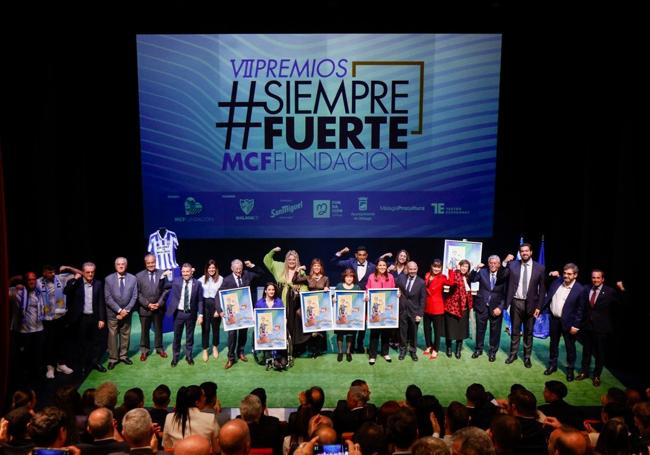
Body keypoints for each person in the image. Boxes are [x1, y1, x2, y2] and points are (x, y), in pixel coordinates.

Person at [575, 269, 623, 387]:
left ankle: (596, 375)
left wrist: (622, 289)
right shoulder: (586, 289)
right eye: (593, 277)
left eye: (598, 278)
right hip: (587, 327)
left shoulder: (609, 291)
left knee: (599, 353)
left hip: (601, 328)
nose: (595, 280)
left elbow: (623, 302)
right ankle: (584, 372)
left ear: (602, 279)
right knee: (586, 351)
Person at [503, 243, 546, 368]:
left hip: (532, 305)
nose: (524, 253)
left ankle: (527, 357)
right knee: (515, 331)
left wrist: (539, 307)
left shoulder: (540, 268)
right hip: (516, 302)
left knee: (528, 332)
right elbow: (501, 275)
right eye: (522, 251)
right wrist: (505, 262)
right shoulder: (512, 265)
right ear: (520, 253)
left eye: (527, 251)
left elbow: (542, 290)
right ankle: (513, 354)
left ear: (531, 252)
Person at [542, 263, 584, 381]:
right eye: (565, 273)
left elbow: (581, 310)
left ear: (575, 275)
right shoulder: (557, 282)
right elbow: (544, 284)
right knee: (553, 344)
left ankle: (570, 369)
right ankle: (552, 365)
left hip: (569, 323)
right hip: (554, 319)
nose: (566, 276)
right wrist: (550, 275)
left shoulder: (580, 289)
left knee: (569, 347)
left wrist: (576, 325)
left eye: (569, 274)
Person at [331, 246, 377, 353]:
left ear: (367, 256)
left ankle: (360, 344)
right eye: (359, 255)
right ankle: (350, 347)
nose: (361, 257)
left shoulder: (372, 267)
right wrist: (341, 252)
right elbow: (334, 262)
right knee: (351, 320)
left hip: (363, 299)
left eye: (363, 255)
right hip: (349, 297)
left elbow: (380, 274)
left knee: (362, 322)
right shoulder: (350, 262)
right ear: (356, 255)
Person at [264, 247, 309, 355]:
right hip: (279, 297)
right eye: (289, 259)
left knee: (292, 323)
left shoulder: (301, 271)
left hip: (293, 300)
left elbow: (304, 286)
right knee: (279, 321)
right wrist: (273, 251)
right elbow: (266, 260)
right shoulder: (279, 266)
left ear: (297, 260)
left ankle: (292, 347)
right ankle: (279, 346)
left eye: (294, 260)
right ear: (286, 260)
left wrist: (300, 292)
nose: (291, 261)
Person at [64, 262, 107, 374]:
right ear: (83, 272)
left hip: (94, 317)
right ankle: (83, 365)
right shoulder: (76, 283)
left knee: (96, 342)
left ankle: (95, 362)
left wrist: (102, 319)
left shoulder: (98, 283)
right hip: (81, 318)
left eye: (92, 272)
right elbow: (66, 291)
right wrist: (74, 279)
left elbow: (101, 302)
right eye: (87, 272)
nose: (90, 274)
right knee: (82, 343)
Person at [38, 264, 79, 379]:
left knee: (61, 342)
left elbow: (80, 273)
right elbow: (27, 285)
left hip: (60, 317)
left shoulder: (61, 278)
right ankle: (50, 368)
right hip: (46, 319)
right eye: (49, 272)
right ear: (43, 272)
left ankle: (61, 365)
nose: (52, 274)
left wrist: (68, 268)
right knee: (49, 344)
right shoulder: (38, 282)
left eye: (53, 272)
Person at [221, 258, 262, 369]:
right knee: (232, 335)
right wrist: (220, 310)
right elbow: (219, 295)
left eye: (240, 268)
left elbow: (261, 274)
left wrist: (252, 265)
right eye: (236, 269)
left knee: (243, 333)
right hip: (232, 314)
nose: (239, 271)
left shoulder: (247, 274)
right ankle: (230, 357)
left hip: (245, 312)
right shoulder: (227, 280)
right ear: (232, 268)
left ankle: (241, 352)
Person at [9, 271, 46, 386]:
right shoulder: (16, 292)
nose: (32, 281)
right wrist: (14, 278)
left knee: (38, 357)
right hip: (23, 332)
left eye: (34, 279)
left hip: (38, 330)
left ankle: (38, 381)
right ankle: (24, 382)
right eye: (29, 279)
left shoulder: (39, 293)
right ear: (25, 281)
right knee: (24, 359)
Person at [165, 263, 204, 366]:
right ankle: (175, 357)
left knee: (189, 337)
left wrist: (200, 315)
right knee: (177, 337)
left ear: (192, 272)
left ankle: (189, 356)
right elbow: (165, 285)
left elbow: (200, 300)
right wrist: (165, 277)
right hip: (178, 314)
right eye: (183, 271)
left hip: (191, 314)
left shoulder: (198, 284)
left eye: (187, 271)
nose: (185, 273)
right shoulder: (176, 281)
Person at [469, 255, 507, 362]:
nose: (493, 265)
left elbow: (506, 294)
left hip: (496, 308)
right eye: (491, 263)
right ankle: (478, 349)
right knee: (480, 330)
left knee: (495, 332)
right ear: (488, 263)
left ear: (499, 265)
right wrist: (476, 268)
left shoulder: (503, 275)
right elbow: (472, 279)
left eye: (495, 263)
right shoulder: (482, 272)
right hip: (482, 307)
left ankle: (492, 352)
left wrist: (500, 307)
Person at [104, 257, 138, 370]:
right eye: (118, 264)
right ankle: (113, 358)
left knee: (125, 334)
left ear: (126, 265)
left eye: (123, 264)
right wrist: (119, 310)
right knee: (112, 336)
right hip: (113, 313)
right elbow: (107, 298)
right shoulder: (108, 279)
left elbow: (134, 296)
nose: (121, 266)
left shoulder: (133, 279)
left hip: (127, 313)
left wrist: (126, 310)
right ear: (115, 266)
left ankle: (123, 356)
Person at [162, 385, 219, 451]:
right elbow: (217, 449)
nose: (205, 398)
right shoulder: (210, 418)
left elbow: (167, 446)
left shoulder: (169, 417)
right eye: (203, 396)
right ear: (197, 402)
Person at [135, 254, 170, 361]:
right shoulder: (138, 276)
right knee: (144, 331)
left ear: (155, 261)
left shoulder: (162, 273)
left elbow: (166, 289)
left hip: (158, 308)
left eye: (153, 262)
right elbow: (137, 293)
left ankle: (159, 348)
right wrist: (148, 304)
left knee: (159, 329)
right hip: (145, 309)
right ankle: (144, 350)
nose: (151, 265)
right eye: (148, 263)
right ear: (145, 263)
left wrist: (159, 303)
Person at [293, 258, 330, 358]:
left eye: (318, 266)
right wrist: (298, 270)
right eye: (315, 266)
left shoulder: (325, 278)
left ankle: (318, 350)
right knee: (307, 324)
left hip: (321, 305)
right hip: (310, 305)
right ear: (312, 267)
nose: (316, 267)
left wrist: (327, 288)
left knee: (319, 328)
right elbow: (295, 280)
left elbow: (327, 292)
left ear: (321, 267)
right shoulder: (308, 277)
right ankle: (310, 348)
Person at [366, 258, 395, 365]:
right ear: (377, 267)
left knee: (386, 333)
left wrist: (397, 294)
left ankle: (385, 353)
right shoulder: (371, 277)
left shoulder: (391, 277)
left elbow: (393, 290)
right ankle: (372, 355)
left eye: (384, 265)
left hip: (387, 309)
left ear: (386, 267)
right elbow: (367, 289)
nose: (382, 267)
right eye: (380, 265)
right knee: (374, 333)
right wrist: (366, 296)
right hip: (375, 309)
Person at [396, 261, 426, 361]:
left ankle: (413, 351)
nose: (412, 271)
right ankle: (403, 350)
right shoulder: (401, 278)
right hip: (403, 310)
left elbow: (422, 300)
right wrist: (397, 292)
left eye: (414, 269)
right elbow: (396, 288)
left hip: (414, 312)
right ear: (407, 269)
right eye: (410, 269)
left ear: (417, 269)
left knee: (413, 333)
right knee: (402, 332)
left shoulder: (421, 282)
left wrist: (420, 314)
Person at [443, 259, 473, 359]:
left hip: (464, 308)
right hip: (452, 308)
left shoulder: (468, 277)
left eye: (466, 267)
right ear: (459, 266)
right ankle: (449, 348)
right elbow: (451, 283)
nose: (464, 268)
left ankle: (458, 350)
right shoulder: (455, 275)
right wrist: (451, 270)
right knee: (450, 330)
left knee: (461, 330)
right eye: (463, 266)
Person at [254, 283, 287, 370]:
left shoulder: (279, 301)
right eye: (269, 290)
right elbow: (256, 317)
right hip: (265, 329)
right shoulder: (259, 303)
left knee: (279, 333)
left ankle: (279, 356)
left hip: (276, 328)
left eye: (273, 290)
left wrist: (285, 319)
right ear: (265, 291)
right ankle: (273, 357)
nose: (271, 291)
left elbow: (282, 315)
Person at [423, 259, 449, 360]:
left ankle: (435, 349)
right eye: (435, 266)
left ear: (441, 268)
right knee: (426, 328)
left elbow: (451, 283)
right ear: (431, 266)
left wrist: (450, 270)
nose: (436, 269)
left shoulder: (443, 277)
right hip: (426, 306)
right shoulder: (427, 275)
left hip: (437, 307)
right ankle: (429, 345)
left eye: (439, 267)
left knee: (437, 330)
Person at [199, 259, 224, 362]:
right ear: (207, 269)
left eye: (213, 268)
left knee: (215, 329)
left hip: (215, 305)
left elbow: (222, 295)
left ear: (216, 268)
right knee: (205, 329)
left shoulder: (221, 279)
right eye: (209, 268)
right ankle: (205, 349)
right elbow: (199, 296)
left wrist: (218, 310)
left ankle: (215, 347)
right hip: (204, 306)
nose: (211, 269)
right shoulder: (201, 279)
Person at [334, 268, 359, 362]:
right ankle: (340, 352)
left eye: (351, 276)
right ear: (344, 277)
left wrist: (363, 300)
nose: (349, 278)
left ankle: (348, 352)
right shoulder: (339, 286)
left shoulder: (356, 287)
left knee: (350, 335)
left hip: (352, 316)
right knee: (340, 334)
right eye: (347, 276)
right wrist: (334, 299)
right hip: (340, 316)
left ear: (353, 277)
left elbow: (359, 301)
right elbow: (334, 297)